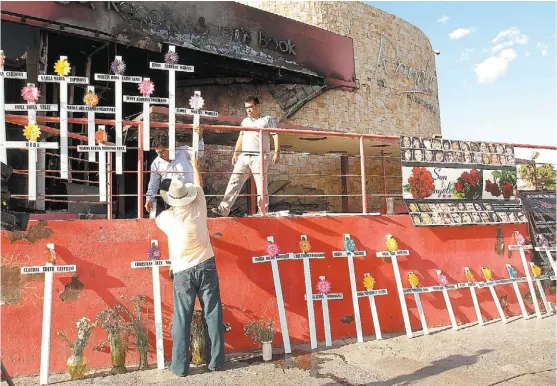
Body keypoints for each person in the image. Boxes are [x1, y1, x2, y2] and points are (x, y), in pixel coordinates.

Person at [155, 156, 224, 377]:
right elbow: (198, 184)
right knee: (212, 314)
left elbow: (158, 210)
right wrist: (195, 166)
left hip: (183, 271)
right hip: (206, 264)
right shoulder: (199, 207)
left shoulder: (165, 219)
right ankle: (216, 362)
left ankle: (180, 367)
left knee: (182, 318)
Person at [212, 96, 280, 217]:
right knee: (234, 181)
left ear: (257, 106)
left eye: (250, 107)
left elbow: (275, 135)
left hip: (259, 156)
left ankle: (263, 212)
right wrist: (235, 153)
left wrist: (276, 152)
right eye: (246, 108)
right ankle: (224, 209)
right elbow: (241, 137)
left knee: (261, 186)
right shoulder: (245, 121)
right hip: (244, 156)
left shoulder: (268, 119)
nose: (248, 110)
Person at [145, 126, 204, 215]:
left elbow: (198, 154)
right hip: (172, 199)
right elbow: (153, 183)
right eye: (157, 153)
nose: (160, 155)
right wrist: (149, 199)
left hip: (190, 195)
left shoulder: (184, 151)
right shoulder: (156, 163)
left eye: (161, 152)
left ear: (170, 147)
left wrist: (199, 138)